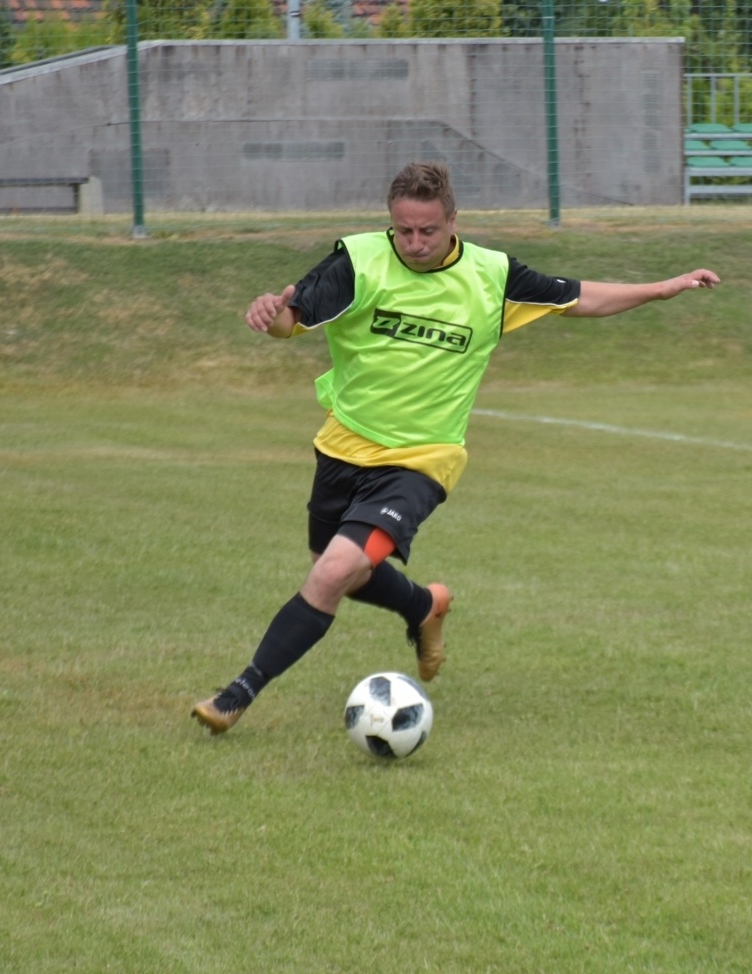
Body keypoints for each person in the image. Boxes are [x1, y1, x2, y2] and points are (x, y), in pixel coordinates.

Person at [192, 161, 719, 734]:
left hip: (422, 461)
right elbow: (294, 317)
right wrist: (270, 314)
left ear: (453, 222)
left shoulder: (491, 275)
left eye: (428, 231)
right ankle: (423, 606)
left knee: (331, 574)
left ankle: (237, 694)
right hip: (343, 446)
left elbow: (580, 298)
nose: (414, 244)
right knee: (331, 562)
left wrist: (662, 290)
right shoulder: (361, 259)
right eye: (404, 231)